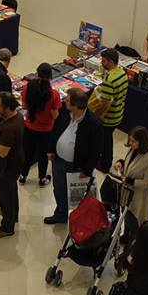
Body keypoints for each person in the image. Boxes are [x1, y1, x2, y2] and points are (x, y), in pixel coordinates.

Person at [44, 88, 102, 224]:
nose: (64, 101)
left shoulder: (93, 124)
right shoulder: (65, 112)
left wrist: (87, 170)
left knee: (76, 195)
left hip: (77, 167)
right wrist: (51, 149)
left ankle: (78, 219)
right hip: (58, 161)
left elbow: (96, 151)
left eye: (68, 100)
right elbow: (55, 130)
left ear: (76, 105)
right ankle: (61, 214)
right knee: (59, 189)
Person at [19, 63, 61, 186]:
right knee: (43, 155)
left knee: (28, 152)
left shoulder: (28, 88)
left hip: (30, 126)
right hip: (45, 130)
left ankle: (23, 176)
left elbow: (24, 106)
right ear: (50, 76)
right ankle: (42, 178)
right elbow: (55, 115)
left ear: (37, 74)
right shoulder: (54, 94)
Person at [0, 91, 24, 238]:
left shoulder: (10, 128)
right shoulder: (17, 116)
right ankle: (13, 215)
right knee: (11, 192)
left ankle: (7, 227)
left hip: (7, 166)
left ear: (8, 108)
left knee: (4, 197)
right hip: (15, 163)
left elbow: (3, 152)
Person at [116, 126, 148, 245]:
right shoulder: (133, 150)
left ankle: (132, 243)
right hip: (126, 192)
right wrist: (121, 163)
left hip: (137, 197)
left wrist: (129, 180)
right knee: (125, 215)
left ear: (141, 142)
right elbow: (130, 164)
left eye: (133, 141)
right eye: (130, 140)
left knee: (132, 220)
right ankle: (126, 235)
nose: (130, 143)